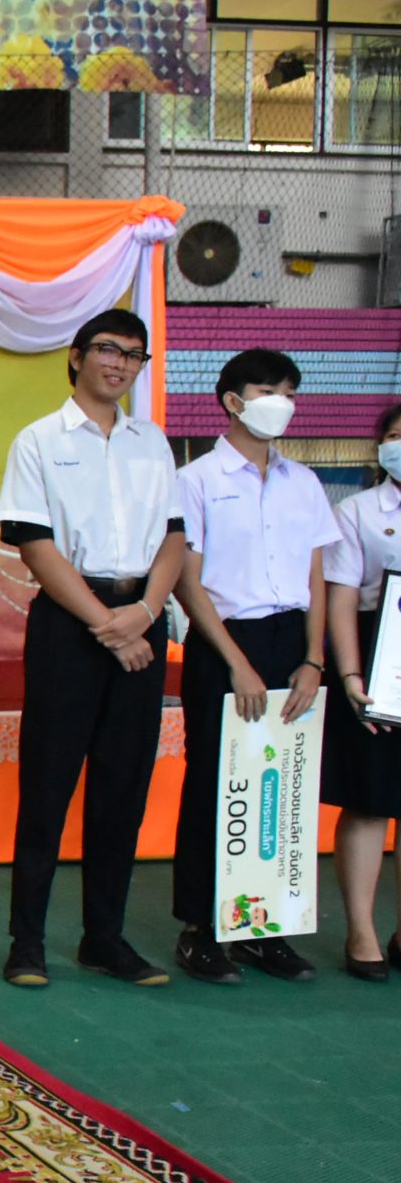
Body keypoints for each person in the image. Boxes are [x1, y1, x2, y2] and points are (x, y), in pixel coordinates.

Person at [0, 308, 186, 990]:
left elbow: (174, 536)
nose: (120, 364)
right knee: (47, 784)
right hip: (70, 625)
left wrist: (145, 613)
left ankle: (104, 939)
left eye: (134, 355)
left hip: (140, 619)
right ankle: (27, 943)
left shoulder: (152, 443)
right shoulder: (39, 441)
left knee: (123, 787)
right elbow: (34, 543)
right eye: (108, 349)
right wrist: (106, 624)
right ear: (76, 357)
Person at [168, 350, 337, 985]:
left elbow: (316, 576)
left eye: (290, 392)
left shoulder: (304, 483)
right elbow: (188, 582)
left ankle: (262, 929)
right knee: (215, 783)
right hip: (225, 642)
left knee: (283, 786)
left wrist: (314, 658)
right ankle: (200, 928)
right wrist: (236, 663)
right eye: (269, 391)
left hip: (293, 642)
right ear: (233, 401)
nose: (282, 403)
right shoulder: (197, 479)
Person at [321, 402, 401, 983]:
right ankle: (362, 932)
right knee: (371, 799)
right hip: (378, 660)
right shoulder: (357, 511)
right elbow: (343, 596)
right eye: (395, 435)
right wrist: (352, 676)